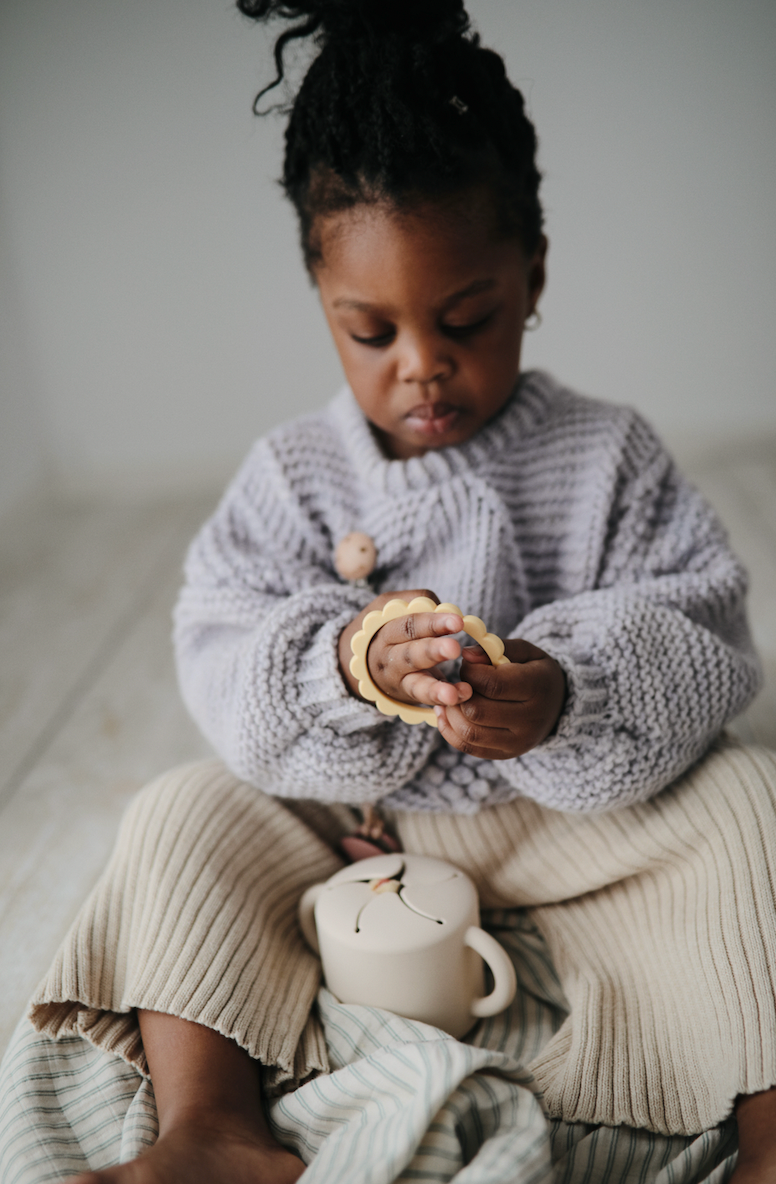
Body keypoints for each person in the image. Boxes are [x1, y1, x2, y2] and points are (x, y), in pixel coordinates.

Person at [2, 1, 776, 1182]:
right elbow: (222, 642)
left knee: (750, 807)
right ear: (320, 299)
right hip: (353, 836)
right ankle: (209, 1125)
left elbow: (706, 623)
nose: (420, 364)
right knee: (172, 814)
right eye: (368, 330)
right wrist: (345, 663)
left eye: (464, 318)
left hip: (575, 826)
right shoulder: (295, 474)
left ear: (531, 274)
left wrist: (562, 687)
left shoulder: (604, 453)